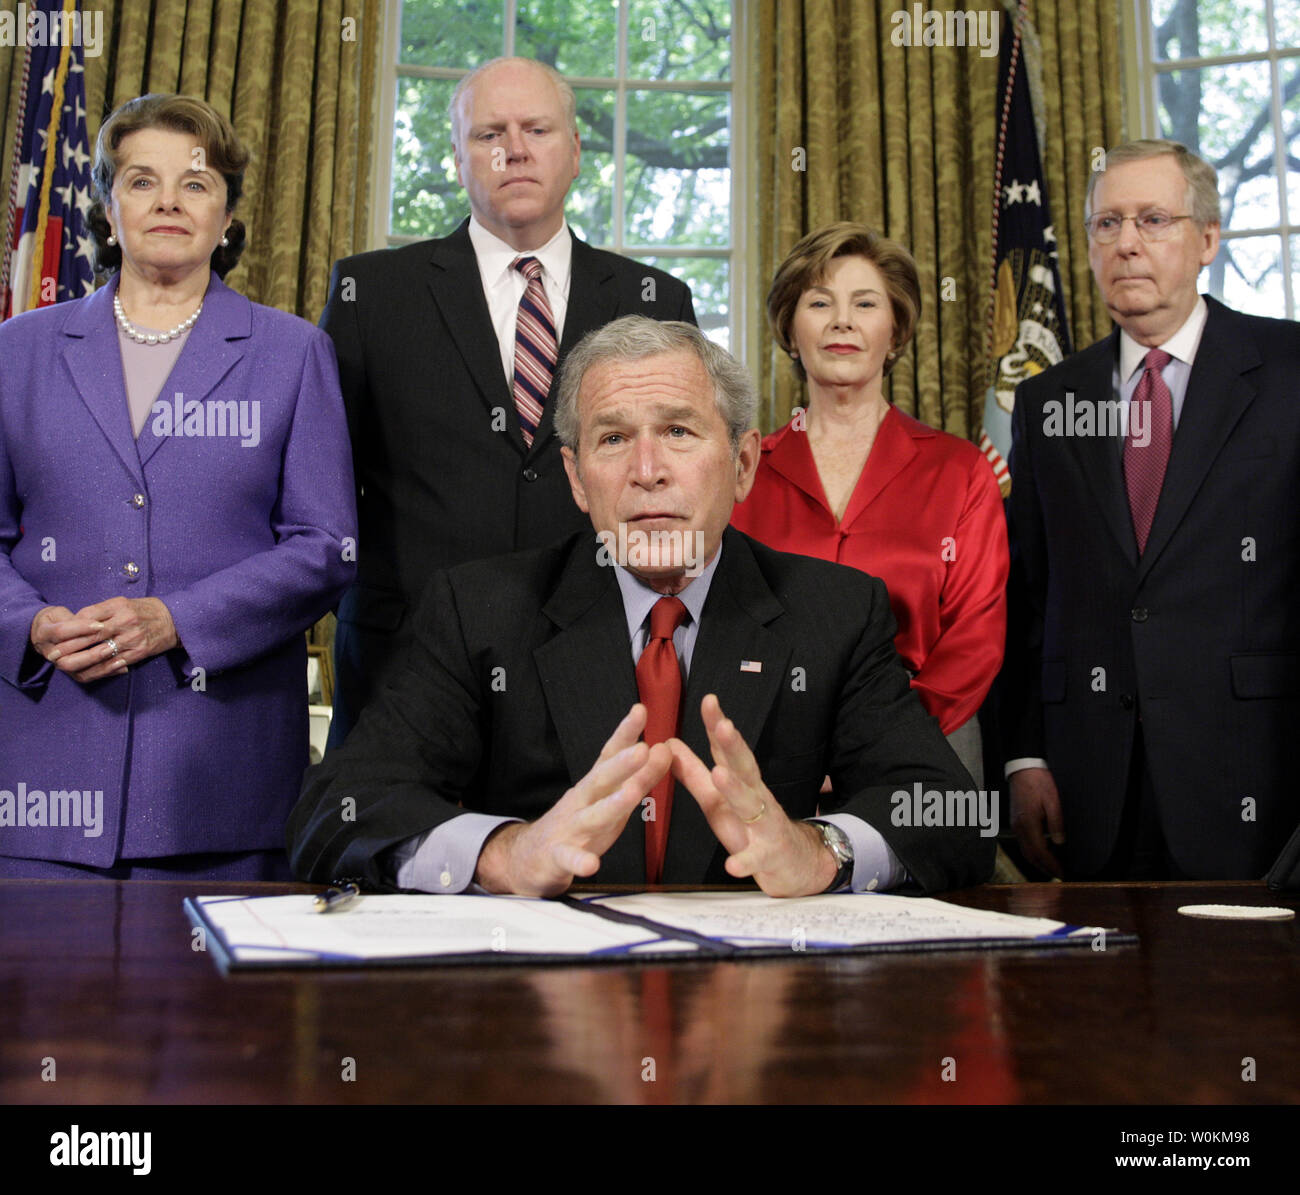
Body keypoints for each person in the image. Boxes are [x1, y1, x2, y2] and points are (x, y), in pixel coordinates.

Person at [288, 317, 993, 897]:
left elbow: (950, 814)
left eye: (680, 432)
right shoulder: (479, 609)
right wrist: (507, 854)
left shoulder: (833, 612)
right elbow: (334, 810)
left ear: (744, 463)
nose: (647, 469)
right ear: (575, 477)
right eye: (614, 437)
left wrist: (821, 851)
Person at [0, 94, 356, 879]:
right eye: (140, 180)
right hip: (41, 783)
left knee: (212, 1006)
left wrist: (177, 619)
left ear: (226, 213)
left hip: (220, 782)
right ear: (107, 204)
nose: (167, 200)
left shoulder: (293, 354)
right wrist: (28, 625)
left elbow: (327, 547)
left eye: (194, 183)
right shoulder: (16, 352)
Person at [322, 56, 695, 748]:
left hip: (598, 672)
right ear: (458, 159)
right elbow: (322, 493)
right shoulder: (369, 295)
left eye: (537, 129)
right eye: (489, 133)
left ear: (577, 151)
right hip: (404, 676)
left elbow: (677, 489)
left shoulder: (654, 300)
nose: (514, 149)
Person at [1004, 139, 1300, 880]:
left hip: (1257, 778)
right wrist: (1026, 753)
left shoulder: (1290, 370)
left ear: (1206, 239)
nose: (1126, 243)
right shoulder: (1049, 401)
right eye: (1107, 225)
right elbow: (1030, 596)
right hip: (1091, 788)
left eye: (1152, 220)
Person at [731, 223, 1007, 782]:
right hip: (768, 756)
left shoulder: (960, 471)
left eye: (865, 302)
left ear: (896, 329)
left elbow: (975, 639)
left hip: (930, 750)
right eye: (818, 302)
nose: (842, 321)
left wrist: (879, 741)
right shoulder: (742, 472)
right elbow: (722, 626)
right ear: (790, 328)